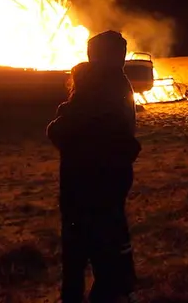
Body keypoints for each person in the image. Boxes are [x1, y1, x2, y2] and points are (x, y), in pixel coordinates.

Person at [47, 31, 141, 303]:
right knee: (109, 238)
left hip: (83, 184)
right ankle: (113, 289)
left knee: (77, 249)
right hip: (113, 180)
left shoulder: (91, 88)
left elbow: (58, 132)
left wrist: (65, 112)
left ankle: (83, 295)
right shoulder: (121, 84)